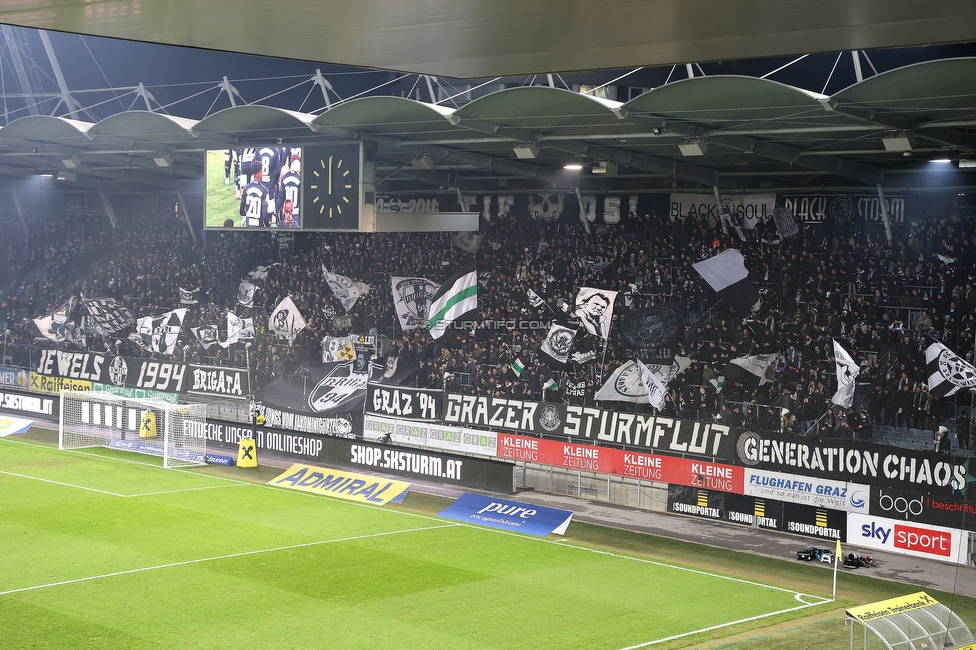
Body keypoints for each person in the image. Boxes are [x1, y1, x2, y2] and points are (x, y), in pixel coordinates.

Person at [239, 160, 273, 227]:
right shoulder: (265, 191)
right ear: (260, 173)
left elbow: (241, 211)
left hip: (248, 226)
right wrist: (268, 227)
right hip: (259, 227)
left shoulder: (246, 188)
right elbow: (264, 214)